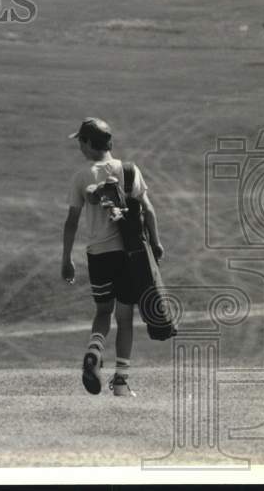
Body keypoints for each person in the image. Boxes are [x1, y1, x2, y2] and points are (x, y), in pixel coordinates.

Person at [61, 117, 164, 397]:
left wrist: (66, 258)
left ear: (87, 143)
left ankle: (94, 351)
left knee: (103, 312)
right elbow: (148, 210)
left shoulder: (81, 176)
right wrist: (155, 243)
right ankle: (120, 381)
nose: (79, 147)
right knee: (125, 317)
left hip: (98, 256)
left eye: (80, 142)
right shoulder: (129, 170)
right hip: (128, 256)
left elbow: (71, 221)